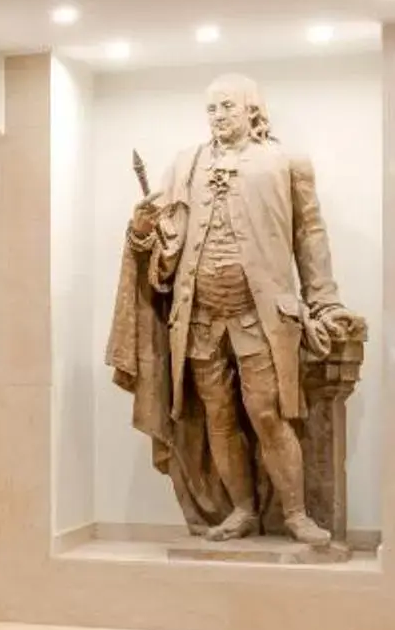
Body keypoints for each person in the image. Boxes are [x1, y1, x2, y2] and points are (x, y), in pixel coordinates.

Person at [108, 73, 361, 545]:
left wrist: (324, 300)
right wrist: (142, 231)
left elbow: (310, 235)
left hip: (261, 316)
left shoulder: (286, 162)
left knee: (267, 414)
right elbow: (167, 242)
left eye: (227, 107)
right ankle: (241, 509)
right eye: (211, 109)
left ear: (251, 110)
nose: (219, 116)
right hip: (199, 317)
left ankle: (296, 513)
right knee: (216, 418)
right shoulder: (186, 163)